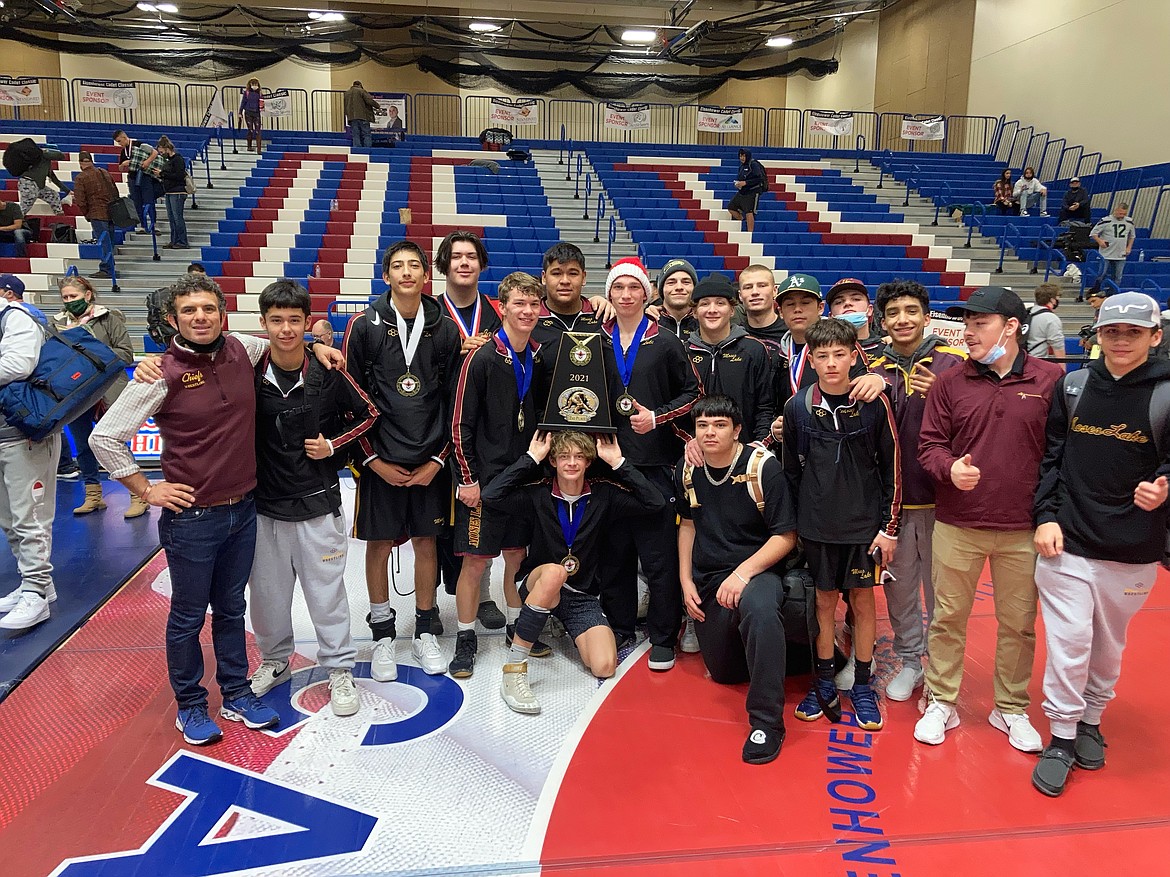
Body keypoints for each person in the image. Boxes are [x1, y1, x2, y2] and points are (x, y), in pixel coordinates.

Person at [89, 274, 288, 745]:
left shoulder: (243, 349)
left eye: (208, 308)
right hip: (193, 518)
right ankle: (191, 705)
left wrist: (319, 343)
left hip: (244, 508)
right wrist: (146, 488)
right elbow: (104, 437)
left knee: (232, 609)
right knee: (187, 615)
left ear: (222, 312)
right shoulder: (160, 374)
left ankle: (237, 694)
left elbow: (285, 339)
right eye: (189, 311)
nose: (200, 317)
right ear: (172, 319)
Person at [1030, 292, 1170, 796]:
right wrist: (1044, 517)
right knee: (1069, 644)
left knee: (1108, 647)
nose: (1121, 341)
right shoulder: (1073, 387)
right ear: (1097, 334)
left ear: (1154, 337)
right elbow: (1052, 459)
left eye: (1133, 332)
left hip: (1133, 548)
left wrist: (1165, 485)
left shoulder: (1166, 394)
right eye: (1112, 331)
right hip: (1066, 541)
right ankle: (1062, 735)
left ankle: (1091, 718)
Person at [913, 287, 1064, 751]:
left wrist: (1050, 516)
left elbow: (1061, 454)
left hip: (1023, 528)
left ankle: (1011, 708)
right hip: (958, 524)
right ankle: (941, 700)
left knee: (1018, 623)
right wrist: (949, 468)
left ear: (1012, 327)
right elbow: (930, 446)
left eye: (980, 323)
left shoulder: (1052, 379)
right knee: (946, 617)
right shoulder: (949, 382)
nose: (969, 332)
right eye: (966, 323)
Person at [247, 280, 379, 717]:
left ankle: (339, 668)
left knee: (326, 594)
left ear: (308, 323)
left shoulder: (328, 370)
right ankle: (274, 659)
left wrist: (335, 446)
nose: (286, 329)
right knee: (266, 595)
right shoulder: (245, 369)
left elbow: (369, 415)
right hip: (264, 504)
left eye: (295, 320)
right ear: (263, 323)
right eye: (277, 320)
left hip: (318, 502)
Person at [342, 241, 462, 682]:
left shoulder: (445, 328)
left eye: (415, 265)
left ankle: (426, 629)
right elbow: (349, 398)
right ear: (386, 275)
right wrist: (370, 459)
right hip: (381, 460)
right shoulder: (364, 325)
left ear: (426, 275)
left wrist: (438, 458)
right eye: (398, 266)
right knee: (378, 544)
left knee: (427, 544)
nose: (407, 272)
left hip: (429, 459)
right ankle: (382, 634)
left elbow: (454, 400)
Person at [483, 430, 664, 714]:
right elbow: (491, 495)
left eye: (579, 456)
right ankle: (514, 670)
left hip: (580, 595)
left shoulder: (603, 493)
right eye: (564, 456)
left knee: (604, 666)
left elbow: (655, 502)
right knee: (556, 573)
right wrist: (531, 457)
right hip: (539, 581)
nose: (571, 463)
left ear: (589, 461)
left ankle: (558, 621)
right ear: (553, 461)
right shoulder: (539, 492)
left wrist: (618, 462)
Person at [784, 318, 900, 732]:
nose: (831, 363)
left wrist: (889, 526)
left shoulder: (874, 402)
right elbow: (791, 471)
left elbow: (892, 468)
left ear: (854, 356)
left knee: (864, 602)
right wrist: (796, 525)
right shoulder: (797, 406)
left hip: (864, 527)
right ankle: (823, 681)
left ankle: (864, 686)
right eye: (822, 356)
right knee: (823, 605)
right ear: (810, 359)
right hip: (817, 527)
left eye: (839, 355)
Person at [677, 395, 799, 763]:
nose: (709, 432)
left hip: (758, 568)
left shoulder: (764, 467)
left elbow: (787, 535)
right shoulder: (687, 468)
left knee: (759, 611)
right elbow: (688, 525)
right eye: (702, 426)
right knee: (725, 673)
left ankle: (767, 723)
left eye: (719, 425)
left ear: (737, 430)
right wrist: (685, 581)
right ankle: (797, 653)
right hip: (711, 575)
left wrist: (742, 573)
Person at [869, 280, 967, 702]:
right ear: (882, 320)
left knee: (945, 597)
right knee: (901, 590)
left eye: (911, 311)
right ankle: (910, 661)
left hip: (948, 505)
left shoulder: (956, 366)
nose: (902, 320)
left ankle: (944, 673)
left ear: (927, 317)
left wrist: (950, 398)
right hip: (894, 507)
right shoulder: (870, 370)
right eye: (893, 313)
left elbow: (979, 429)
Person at [600, 256, 699, 670]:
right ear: (609, 294)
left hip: (656, 464)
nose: (626, 295)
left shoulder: (665, 341)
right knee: (615, 555)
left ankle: (663, 635)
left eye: (633, 288)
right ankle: (621, 628)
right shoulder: (595, 340)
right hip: (606, 465)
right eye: (618, 288)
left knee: (659, 556)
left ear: (647, 293)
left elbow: (694, 393)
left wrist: (656, 417)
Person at [450, 272, 549, 678]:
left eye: (533, 305)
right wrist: (467, 478)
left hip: (525, 479)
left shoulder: (539, 357)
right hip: (486, 483)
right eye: (519, 304)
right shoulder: (481, 357)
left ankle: (515, 626)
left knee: (516, 557)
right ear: (502, 307)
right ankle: (465, 636)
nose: (527, 312)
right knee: (474, 563)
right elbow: (460, 424)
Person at [432, 230, 507, 629]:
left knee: (484, 512)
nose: (464, 263)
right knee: (436, 523)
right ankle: (428, 606)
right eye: (456, 256)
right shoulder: (429, 312)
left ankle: (487, 596)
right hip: (436, 428)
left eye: (471, 257)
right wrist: (452, 352)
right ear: (445, 264)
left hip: (484, 432)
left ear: (481, 265)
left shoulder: (497, 311)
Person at [51, 276, 144, 518]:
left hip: (108, 391)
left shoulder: (109, 318)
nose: (70, 301)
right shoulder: (57, 324)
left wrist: (89, 347)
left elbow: (125, 354)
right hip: (76, 393)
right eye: (66, 298)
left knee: (116, 443)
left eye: (74, 296)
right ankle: (93, 495)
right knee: (82, 446)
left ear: (88, 295)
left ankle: (138, 496)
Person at [0, 291, 60, 631]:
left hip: (23, 433)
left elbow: (17, 365)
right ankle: (34, 584)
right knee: (9, 519)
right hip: (3, 435)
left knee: (30, 517)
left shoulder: (15, 317)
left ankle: (36, 592)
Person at [684, 274, 775, 453]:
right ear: (694, 312)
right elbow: (676, 408)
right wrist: (688, 440)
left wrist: (758, 445)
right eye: (704, 303)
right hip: (695, 454)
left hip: (745, 452)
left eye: (720, 303)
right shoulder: (682, 352)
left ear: (732, 310)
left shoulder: (754, 350)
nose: (712, 310)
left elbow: (766, 406)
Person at [531, 242, 613, 351]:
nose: (565, 281)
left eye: (573, 273)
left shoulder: (604, 317)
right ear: (544, 278)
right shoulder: (530, 319)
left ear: (583, 278)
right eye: (556, 273)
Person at [71, 151, 117, 279]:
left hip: (97, 214)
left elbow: (80, 201)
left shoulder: (81, 178)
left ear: (80, 163)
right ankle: (110, 267)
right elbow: (115, 191)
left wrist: (87, 214)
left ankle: (106, 269)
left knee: (103, 243)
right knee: (110, 242)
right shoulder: (104, 172)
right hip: (111, 212)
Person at [826, 277, 883, 363]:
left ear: (870, 310)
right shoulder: (822, 352)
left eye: (856, 299)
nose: (847, 303)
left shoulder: (888, 349)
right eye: (839, 302)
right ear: (831, 316)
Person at [113, 130, 160, 230]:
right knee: (136, 202)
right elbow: (120, 168)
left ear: (124, 137)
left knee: (149, 200)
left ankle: (153, 224)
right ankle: (142, 225)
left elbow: (155, 152)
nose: (120, 144)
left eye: (120, 141)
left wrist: (147, 161)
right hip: (132, 178)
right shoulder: (123, 152)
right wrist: (123, 164)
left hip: (145, 176)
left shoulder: (139, 144)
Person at [652, 258, 699, 339]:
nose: (679, 287)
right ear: (662, 289)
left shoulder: (706, 323)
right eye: (671, 282)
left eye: (686, 282)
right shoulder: (647, 323)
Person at [1091, 203, 1136, 286]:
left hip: (1120, 253)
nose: (1122, 216)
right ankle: (1096, 290)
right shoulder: (1105, 220)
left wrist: (1129, 247)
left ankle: (1113, 293)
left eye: (1124, 214)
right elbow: (1093, 233)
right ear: (1115, 211)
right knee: (1102, 274)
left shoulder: (1129, 221)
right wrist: (1100, 241)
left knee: (1118, 276)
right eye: (1120, 213)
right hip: (1106, 253)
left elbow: (1132, 236)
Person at [156, 136, 189, 250]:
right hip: (169, 192)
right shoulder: (169, 161)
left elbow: (180, 175)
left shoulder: (178, 159)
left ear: (166, 148)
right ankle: (174, 240)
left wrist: (163, 174)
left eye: (161, 151)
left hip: (178, 191)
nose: (161, 154)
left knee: (177, 218)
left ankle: (183, 241)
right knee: (172, 218)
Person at [18, 143, 67, 218]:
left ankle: (60, 217)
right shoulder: (40, 157)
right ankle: (15, 219)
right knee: (27, 203)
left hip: (38, 186)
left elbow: (54, 179)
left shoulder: (46, 164)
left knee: (53, 195)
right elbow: (59, 155)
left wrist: (68, 191)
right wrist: (46, 150)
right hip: (28, 183)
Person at [727, 148, 767, 233]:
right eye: (741, 156)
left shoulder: (754, 164)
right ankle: (741, 220)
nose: (742, 158)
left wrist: (746, 183)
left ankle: (750, 233)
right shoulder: (741, 166)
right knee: (731, 207)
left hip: (753, 191)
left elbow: (759, 178)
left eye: (744, 156)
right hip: (742, 191)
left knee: (749, 212)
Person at [1026, 282, 1065, 358]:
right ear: (1052, 300)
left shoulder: (1028, 313)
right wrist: (1062, 368)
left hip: (1023, 360)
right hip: (1038, 361)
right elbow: (1058, 346)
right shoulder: (1050, 318)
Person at [345, 80, 378, 149]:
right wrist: (377, 106)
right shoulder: (361, 91)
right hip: (363, 116)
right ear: (360, 85)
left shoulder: (347, 93)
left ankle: (357, 150)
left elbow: (345, 105)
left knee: (355, 134)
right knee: (366, 134)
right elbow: (369, 100)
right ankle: (367, 149)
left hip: (352, 117)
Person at [239, 79, 263, 153]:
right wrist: (240, 112)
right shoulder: (247, 93)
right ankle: (249, 146)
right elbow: (243, 102)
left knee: (258, 131)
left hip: (256, 113)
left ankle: (259, 149)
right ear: (250, 85)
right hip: (248, 113)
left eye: (256, 84)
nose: (254, 86)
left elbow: (262, 103)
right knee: (250, 129)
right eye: (253, 84)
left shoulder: (260, 93)